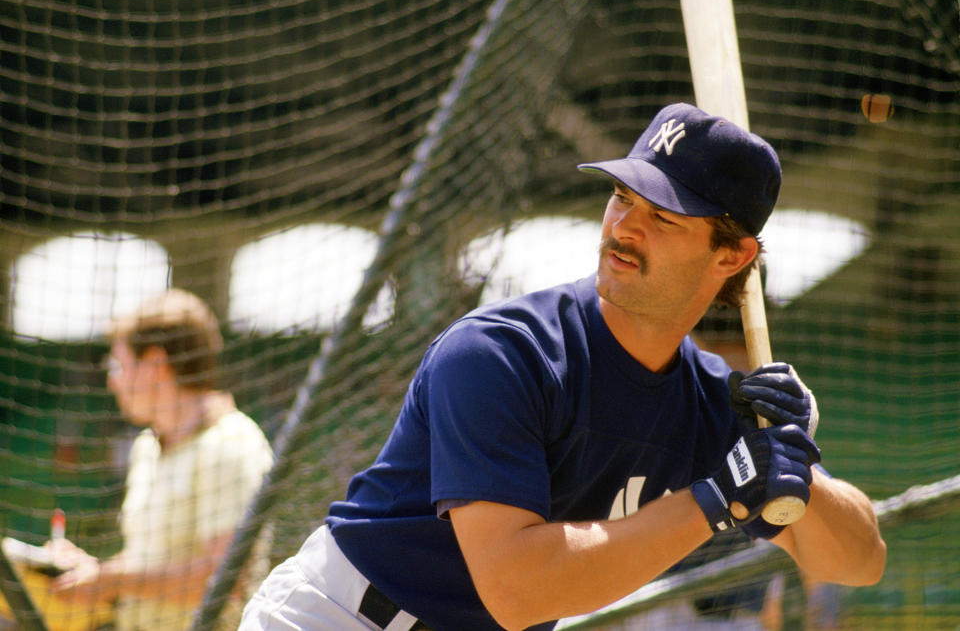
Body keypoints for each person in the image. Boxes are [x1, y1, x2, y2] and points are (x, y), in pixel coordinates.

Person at [239, 102, 885, 631]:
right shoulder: (502, 353)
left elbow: (858, 560)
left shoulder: (715, 406)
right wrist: (716, 499)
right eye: (621, 196)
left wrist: (791, 460)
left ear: (731, 255)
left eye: (661, 215)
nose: (624, 227)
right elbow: (517, 590)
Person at [49, 288, 274, 631]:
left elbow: (227, 578)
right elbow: (151, 559)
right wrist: (93, 571)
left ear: (155, 363)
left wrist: (110, 580)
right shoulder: (147, 446)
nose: (112, 382)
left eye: (118, 365)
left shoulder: (232, 442)